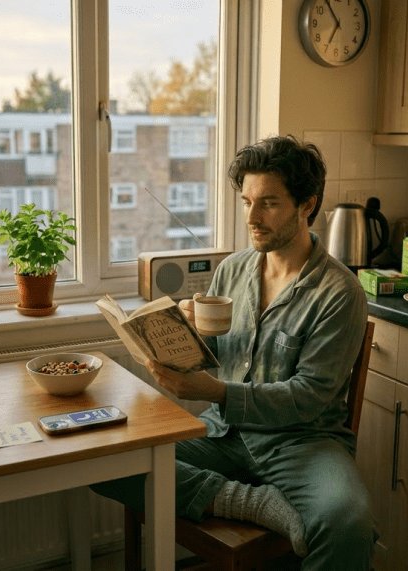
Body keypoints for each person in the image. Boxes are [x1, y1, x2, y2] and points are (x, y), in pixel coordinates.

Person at [93, 135, 374, 569]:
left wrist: (219, 392)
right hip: (223, 435)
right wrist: (182, 339)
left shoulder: (340, 293)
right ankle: (245, 501)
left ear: (307, 205)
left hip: (302, 443)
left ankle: (244, 498)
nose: (252, 217)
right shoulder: (234, 269)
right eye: (246, 202)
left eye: (269, 203)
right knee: (108, 457)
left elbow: (309, 397)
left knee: (347, 522)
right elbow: (220, 354)